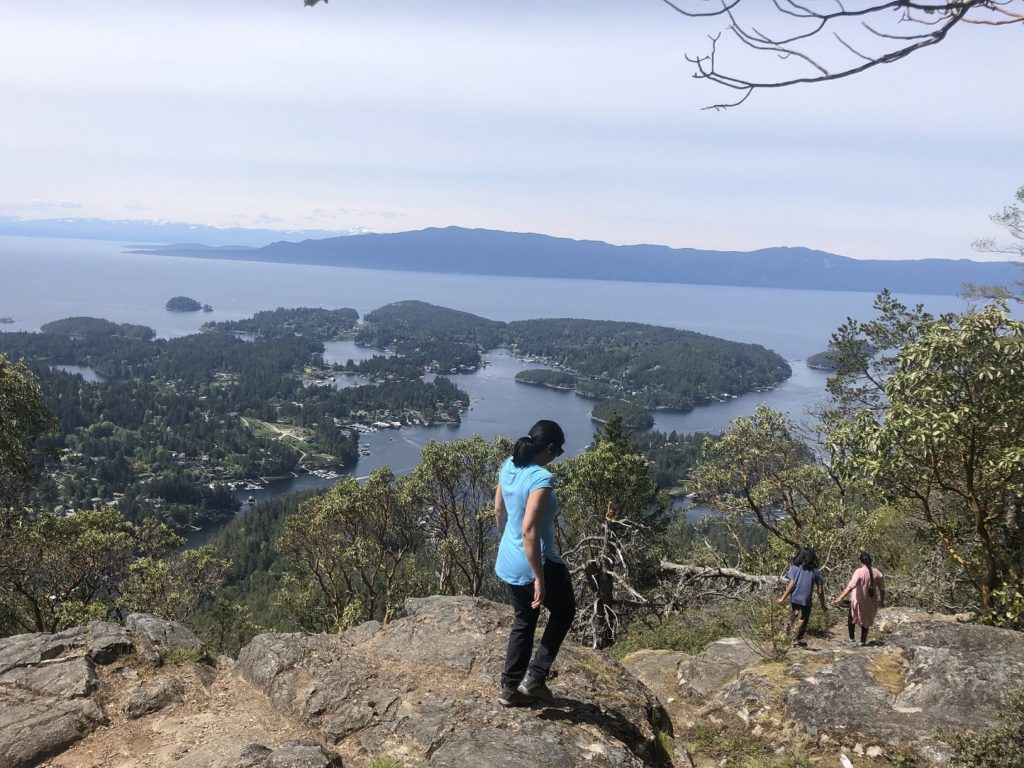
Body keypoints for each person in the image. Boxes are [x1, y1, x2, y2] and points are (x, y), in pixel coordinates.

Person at [494, 419, 576, 707]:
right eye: (558, 451)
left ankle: (508, 687)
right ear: (550, 448)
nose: (558, 456)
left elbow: (498, 508)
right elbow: (529, 530)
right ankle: (536, 678)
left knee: (524, 621)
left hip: (508, 559)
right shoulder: (540, 478)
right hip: (537, 561)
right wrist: (538, 577)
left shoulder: (509, 464)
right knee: (565, 611)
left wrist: (506, 539)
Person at [833, 552, 885, 646]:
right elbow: (882, 589)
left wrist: (840, 598)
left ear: (861, 561)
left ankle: (851, 638)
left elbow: (850, 586)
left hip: (858, 601)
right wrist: (882, 601)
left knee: (851, 618)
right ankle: (862, 642)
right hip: (872, 602)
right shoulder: (878, 573)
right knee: (866, 621)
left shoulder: (859, 572)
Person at [777, 547, 826, 647]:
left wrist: (783, 597)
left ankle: (784, 635)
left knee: (792, 615)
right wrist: (823, 604)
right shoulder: (815, 571)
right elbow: (820, 591)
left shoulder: (795, 568)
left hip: (795, 597)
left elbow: (791, 584)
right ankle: (798, 639)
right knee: (804, 618)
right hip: (806, 599)